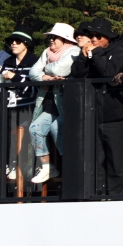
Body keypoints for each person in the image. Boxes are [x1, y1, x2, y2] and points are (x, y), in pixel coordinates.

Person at [69, 17, 123, 196]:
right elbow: (76, 74)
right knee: (94, 158)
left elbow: (109, 72)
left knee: (115, 160)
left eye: (98, 36)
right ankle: (97, 193)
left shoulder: (118, 51)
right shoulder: (88, 51)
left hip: (114, 115)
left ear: (108, 38)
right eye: (92, 36)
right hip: (92, 112)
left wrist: (96, 53)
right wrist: (83, 57)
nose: (94, 39)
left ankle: (117, 196)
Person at [27, 22, 80, 184]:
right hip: (49, 104)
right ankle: (47, 167)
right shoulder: (46, 52)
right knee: (35, 128)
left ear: (65, 39)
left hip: (66, 104)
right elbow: (32, 72)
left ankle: (71, 164)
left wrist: (43, 70)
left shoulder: (74, 51)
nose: (51, 39)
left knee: (57, 128)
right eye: (50, 36)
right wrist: (46, 77)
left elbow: (61, 69)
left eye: (55, 37)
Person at [0, 29, 39, 184]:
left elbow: (33, 90)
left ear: (26, 44)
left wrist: (15, 77)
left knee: (19, 131)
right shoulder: (6, 62)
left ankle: (18, 164)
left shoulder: (35, 62)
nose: (13, 44)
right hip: (7, 107)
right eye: (11, 41)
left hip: (27, 108)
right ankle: (4, 164)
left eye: (17, 41)